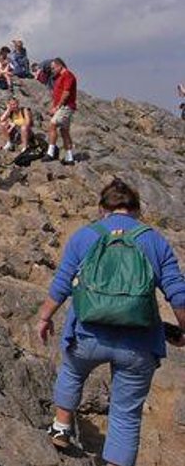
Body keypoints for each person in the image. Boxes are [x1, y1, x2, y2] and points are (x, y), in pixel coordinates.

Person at [36, 179, 185, 466]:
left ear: (102, 209)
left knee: (72, 370)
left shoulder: (85, 236)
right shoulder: (154, 240)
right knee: (126, 413)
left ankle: (61, 426)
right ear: (137, 210)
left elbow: (62, 283)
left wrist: (44, 317)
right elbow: (177, 293)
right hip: (138, 342)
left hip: (88, 334)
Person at [42, 58, 77, 165]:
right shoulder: (61, 76)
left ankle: (50, 153)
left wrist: (57, 107)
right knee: (64, 131)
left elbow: (66, 93)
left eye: (53, 68)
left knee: (52, 125)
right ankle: (69, 158)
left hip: (65, 107)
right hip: (64, 107)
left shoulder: (67, 75)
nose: (52, 70)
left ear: (59, 66)